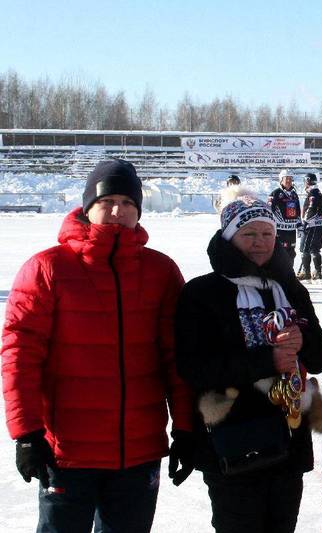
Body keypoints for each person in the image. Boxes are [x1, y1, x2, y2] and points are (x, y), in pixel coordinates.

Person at [1, 159, 195, 532]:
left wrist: (186, 429)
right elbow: (20, 356)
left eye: (128, 202)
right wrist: (26, 433)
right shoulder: (47, 269)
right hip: (68, 452)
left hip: (138, 453)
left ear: (139, 209)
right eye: (107, 201)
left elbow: (177, 357)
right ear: (89, 206)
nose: (118, 210)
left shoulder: (161, 271)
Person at [175, 190, 322, 533]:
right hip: (232, 444)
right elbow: (195, 368)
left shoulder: (290, 288)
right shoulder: (202, 293)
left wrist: (302, 339)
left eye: (267, 233)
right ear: (229, 237)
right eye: (248, 234)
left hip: (288, 441)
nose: (259, 242)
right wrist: (268, 360)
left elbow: (321, 359)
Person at [297, 173, 322, 281]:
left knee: (305, 249)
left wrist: (305, 221)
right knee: (315, 249)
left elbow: (311, 207)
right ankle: (317, 272)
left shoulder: (312, 192)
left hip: (311, 225)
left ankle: (306, 272)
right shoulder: (317, 191)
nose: (304, 183)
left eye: (305, 181)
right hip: (319, 224)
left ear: (308, 181)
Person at [270, 169, 302, 268]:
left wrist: (299, 226)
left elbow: (298, 211)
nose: (288, 181)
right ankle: (279, 275)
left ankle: (289, 274)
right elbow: (269, 211)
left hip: (291, 230)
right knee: (280, 252)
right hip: (280, 230)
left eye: (290, 178)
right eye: (286, 178)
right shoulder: (275, 193)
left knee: (291, 253)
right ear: (281, 180)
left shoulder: (294, 194)